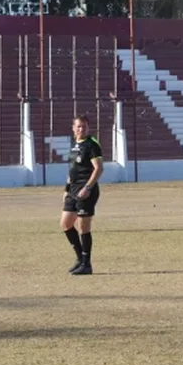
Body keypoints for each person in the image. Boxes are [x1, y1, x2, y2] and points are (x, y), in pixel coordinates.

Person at [62, 115, 104, 275]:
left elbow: (98, 168)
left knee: (83, 227)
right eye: (79, 126)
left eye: (84, 126)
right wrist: (66, 189)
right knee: (65, 224)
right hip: (72, 190)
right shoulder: (74, 145)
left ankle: (87, 264)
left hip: (86, 191)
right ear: (73, 128)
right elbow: (72, 169)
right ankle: (80, 259)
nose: (82, 129)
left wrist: (87, 187)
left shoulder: (92, 144)